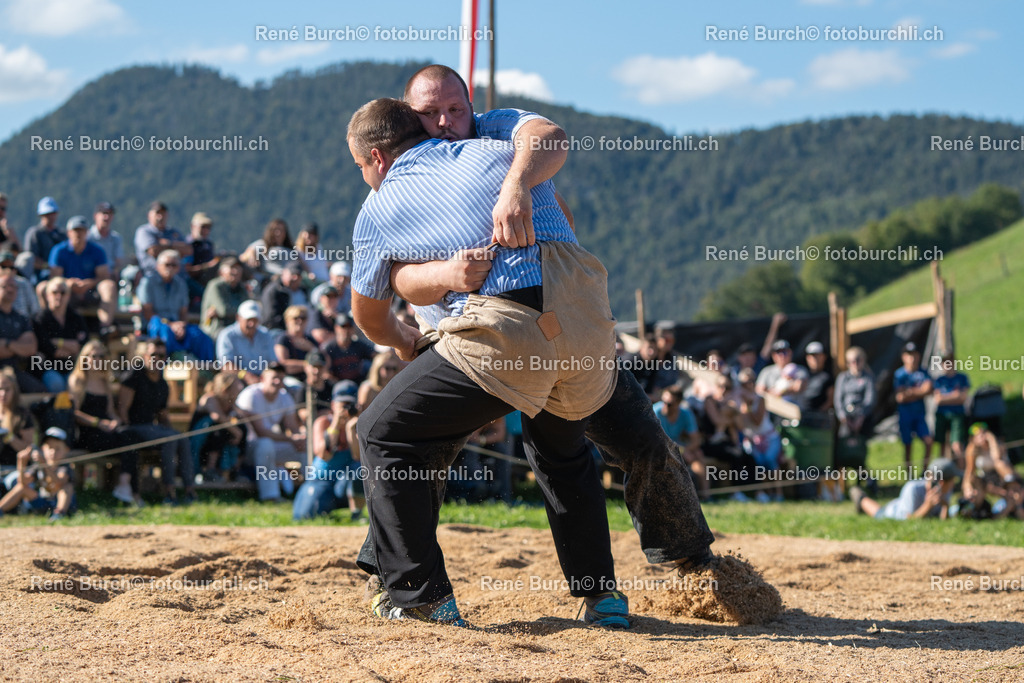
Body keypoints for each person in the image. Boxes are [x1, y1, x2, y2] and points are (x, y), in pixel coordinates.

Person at [372, 65, 720, 617]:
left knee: (638, 439)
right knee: (420, 447)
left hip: (554, 316)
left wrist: (518, 186)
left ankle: (696, 565)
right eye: (428, 114)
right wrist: (446, 276)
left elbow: (552, 139)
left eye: (455, 109)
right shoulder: (398, 177)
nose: (444, 122)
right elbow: (396, 277)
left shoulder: (501, 135)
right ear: (406, 119)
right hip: (465, 334)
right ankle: (389, 573)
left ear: (472, 106)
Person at [348, 96, 626, 629]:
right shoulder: (502, 153)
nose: (365, 176)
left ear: (377, 158)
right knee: (562, 451)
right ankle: (603, 597)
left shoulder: (379, 206)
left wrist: (408, 343)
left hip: (510, 329)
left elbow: (370, 316)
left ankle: (420, 596)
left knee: (384, 430)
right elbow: (561, 209)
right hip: (591, 328)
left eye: (361, 167)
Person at [119, 338, 195, 505]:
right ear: (145, 356)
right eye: (153, 355)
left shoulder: (162, 384)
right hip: (133, 429)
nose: (157, 359)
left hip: (152, 430)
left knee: (181, 438)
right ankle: (169, 493)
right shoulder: (134, 375)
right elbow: (122, 408)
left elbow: (162, 415)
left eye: (161, 356)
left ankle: (189, 491)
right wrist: (125, 432)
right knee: (170, 439)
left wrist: (173, 431)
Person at [68, 340, 143, 506]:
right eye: (93, 356)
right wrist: (97, 422)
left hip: (106, 430)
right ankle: (130, 491)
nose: (97, 359)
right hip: (87, 433)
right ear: (85, 358)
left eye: (101, 356)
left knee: (131, 438)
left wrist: (115, 422)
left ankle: (127, 487)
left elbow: (110, 412)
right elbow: (74, 413)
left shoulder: (104, 382)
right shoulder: (77, 380)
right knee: (128, 443)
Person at [234, 363, 305, 502]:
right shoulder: (250, 395)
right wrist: (292, 439)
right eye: (274, 377)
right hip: (247, 448)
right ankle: (270, 496)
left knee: (305, 446)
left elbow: (293, 427)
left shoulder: (285, 397)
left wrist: (300, 438)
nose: (278, 382)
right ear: (262, 378)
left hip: (272, 444)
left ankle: (308, 491)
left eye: (281, 378)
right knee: (265, 445)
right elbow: (261, 432)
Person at [293, 382, 363, 521]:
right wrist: (336, 423)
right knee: (304, 516)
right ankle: (325, 510)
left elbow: (358, 457)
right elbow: (324, 454)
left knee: (361, 471)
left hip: (344, 483)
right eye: (343, 405)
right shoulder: (323, 422)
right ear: (333, 405)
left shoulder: (357, 425)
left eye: (350, 405)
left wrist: (350, 429)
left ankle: (356, 514)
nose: (346, 409)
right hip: (321, 481)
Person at [46, 215, 118, 334]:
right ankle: (52, 324)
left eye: (82, 230)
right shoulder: (59, 251)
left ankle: (105, 327)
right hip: (67, 291)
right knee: (48, 287)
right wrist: (68, 283)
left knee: (109, 286)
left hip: (91, 291)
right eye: (75, 230)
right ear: (69, 233)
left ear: (87, 233)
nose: (78, 234)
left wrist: (89, 283)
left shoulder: (97, 250)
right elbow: (54, 277)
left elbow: (104, 276)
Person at [138, 250, 214, 360]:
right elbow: (148, 313)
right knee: (165, 331)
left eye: (174, 265)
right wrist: (170, 324)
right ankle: (169, 362)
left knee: (201, 336)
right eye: (167, 264)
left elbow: (183, 312)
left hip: (176, 324)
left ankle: (205, 368)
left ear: (178, 268)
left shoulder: (181, 284)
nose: (170, 268)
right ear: (158, 266)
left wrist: (181, 325)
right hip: (155, 324)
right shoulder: (148, 282)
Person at [0, 427, 75, 521]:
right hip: (43, 504)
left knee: (67, 487)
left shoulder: (65, 466)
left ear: (66, 450)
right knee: (21, 487)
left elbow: (59, 483)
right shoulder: (38, 465)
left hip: (63, 505)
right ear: (43, 449)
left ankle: (59, 513)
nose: (53, 452)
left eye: (58, 448)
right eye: (50, 447)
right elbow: (22, 482)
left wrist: (44, 464)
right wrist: (21, 463)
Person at [851, 458, 959, 520]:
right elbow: (909, 520)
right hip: (893, 513)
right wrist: (928, 505)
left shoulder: (944, 490)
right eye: (952, 481)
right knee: (879, 513)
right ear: (942, 482)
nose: (953, 484)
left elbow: (943, 521)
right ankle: (860, 497)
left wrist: (945, 507)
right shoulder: (913, 488)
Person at [653, 384, 708, 500]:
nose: (665, 406)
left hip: (675, 447)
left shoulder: (685, 413)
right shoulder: (655, 411)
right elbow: (656, 441)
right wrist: (681, 451)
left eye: (669, 404)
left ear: (678, 403)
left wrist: (686, 450)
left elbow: (696, 440)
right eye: (663, 401)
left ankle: (705, 495)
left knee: (698, 455)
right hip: (658, 449)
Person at [32, 276, 88, 392]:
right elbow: (50, 349)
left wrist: (58, 341)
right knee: (57, 384)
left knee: (77, 382)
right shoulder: (39, 319)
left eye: (63, 293)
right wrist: (70, 347)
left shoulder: (76, 318)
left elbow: (82, 346)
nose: (59, 296)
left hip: (71, 366)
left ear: (69, 296)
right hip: (46, 368)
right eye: (54, 292)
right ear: (47, 296)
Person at [736, 367, 784, 502]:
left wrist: (748, 408)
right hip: (751, 439)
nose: (748, 385)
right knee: (758, 463)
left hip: (769, 437)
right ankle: (766, 494)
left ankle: (779, 494)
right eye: (744, 383)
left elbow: (757, 421)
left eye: (751, 381)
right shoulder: (737, 400)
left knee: (770, 461)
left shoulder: (760, 399)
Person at [190, 370, 245, 483]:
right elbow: (217, 417)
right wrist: (236, 432)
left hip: (220, 438)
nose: (240, 388)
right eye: (237, 386)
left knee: (243, 427)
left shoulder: (230, 402)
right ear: (226, 389)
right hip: (201, 438)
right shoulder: (210, 398)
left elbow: (240, 414)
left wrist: (239, 429)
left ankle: (234, 469)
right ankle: (210, 469)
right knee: (218, 429)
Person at [0, 272, 45, 393]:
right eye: (5, 286)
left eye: (13, 287)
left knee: (40, 392)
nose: (10, 289)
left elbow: (31, 348)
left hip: (14, 371)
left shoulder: (20, 317)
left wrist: (7, 343)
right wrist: (18, 346)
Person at [216, 300, 277, 385]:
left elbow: (273, 362)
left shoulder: (265, 334)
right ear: (238, 317)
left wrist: (267, 378)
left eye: (255, 320)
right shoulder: (227, 335)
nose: (251, 324)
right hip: (238, 381)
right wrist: (245, 376)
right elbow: (226, 366)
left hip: (264, 381)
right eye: (248, 320)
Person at [893, 342, 933, 470]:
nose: (912, 358)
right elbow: (900, 397)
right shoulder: (900, 375)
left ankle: (924, 472)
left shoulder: (923, 372)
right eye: (909, 355)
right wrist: (919, 391)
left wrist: (910, 392)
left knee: (928, 442)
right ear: (904, 357)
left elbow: (928, 390)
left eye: (914, 354)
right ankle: (909, 475)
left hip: (920, 414)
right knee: (908, 446)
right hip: (905, 415)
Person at [134, 201, 192, 275]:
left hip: (178, 275)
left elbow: (188, 250)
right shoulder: (144, 231)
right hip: (152, 274)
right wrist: (177, 248)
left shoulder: (173, 232)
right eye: (157, 213)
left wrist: (168, 244)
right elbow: (153, 251)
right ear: (149, 215)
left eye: (163, 213)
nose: (160, 217)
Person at [932, 354, 970, 464]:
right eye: (945, 363)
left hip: (957, 414)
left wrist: (945, 397)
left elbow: (963, 398)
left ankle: (963, 471)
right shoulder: (939, 380)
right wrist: (955, 395)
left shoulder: (961, 378)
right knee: (942, 445)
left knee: (956, 444)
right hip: (942, 414)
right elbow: (938, 400)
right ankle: (942, 472)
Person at [963, 422, 1017, 499]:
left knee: (999, 464)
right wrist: (966, 486)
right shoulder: (972, 449)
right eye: (978, 435)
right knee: (978, 481)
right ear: (973, 438)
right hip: (987, 478)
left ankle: (1013, 488)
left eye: (984, 434)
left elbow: (997, 458)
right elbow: (970, 469)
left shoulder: (998, 444)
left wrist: (992, 440)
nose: (982, 437)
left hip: (1003, 474)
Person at [200, 257, 248, 340]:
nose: (235, 271)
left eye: (238, 268)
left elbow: (248, 308)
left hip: (237, 327)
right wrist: (241, 312)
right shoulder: (215, 286)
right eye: (232, 268)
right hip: (215, 329)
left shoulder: (241, 288)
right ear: (221, 272)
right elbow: (224, 310)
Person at [18, 196, 64, 282]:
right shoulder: (35, 233)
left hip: (61, 274)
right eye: (47, 214)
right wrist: (48, 267)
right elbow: (31, 258)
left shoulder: (61, 234)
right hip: (39, 276)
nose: (50, 217)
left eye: (53, 213)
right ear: (41, 215)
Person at [321, 313, 374, 385]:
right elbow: (324, 372)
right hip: (337, 386)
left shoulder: (358, 345)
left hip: (358, 383)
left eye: (349, 327)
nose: (346, 330)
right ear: (336, 328)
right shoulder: (328, 348)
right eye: (343, 327)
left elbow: (377, 357)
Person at [0, 369, 35, 470]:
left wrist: (9, 437)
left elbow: (28, 449)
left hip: (16, 468)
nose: (3, 393)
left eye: (7, 389)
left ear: (14, 390)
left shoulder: (22, 415)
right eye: (0, 389)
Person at [275, 305, 317, 384]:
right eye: (296, 318)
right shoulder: (283, 339)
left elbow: (325, 361)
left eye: (303, 318)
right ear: (287, 321)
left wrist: (312, 349)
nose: (300, 321)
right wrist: (308, 365)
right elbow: (284, 365)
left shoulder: (309, 339)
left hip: (309, 379)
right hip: (289, 379)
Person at [261, 263, 307, 332]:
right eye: (293, 274)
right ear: (284, 273)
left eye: (298, 275)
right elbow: (271, 319)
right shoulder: (274, 291)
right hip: (279, 330)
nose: (296, 278)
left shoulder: (304, 291)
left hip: (302, 330)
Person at [88, 201, 124, 273]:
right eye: (104, 213)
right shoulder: (88, 237)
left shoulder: (116, 238)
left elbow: (118, 261)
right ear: (95, 216)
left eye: (110, 214)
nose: (107, 217)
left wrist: (115, 272)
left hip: (111, 273)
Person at [799, 341, 834, 415]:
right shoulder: (802, 374)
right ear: (807, 358)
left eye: (817, 356)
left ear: (823, 357)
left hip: (818, 418)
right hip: (800, 414)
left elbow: (830, 400)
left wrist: (818, 413)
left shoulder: (827, 377)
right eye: (811, 356)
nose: (814, 359)